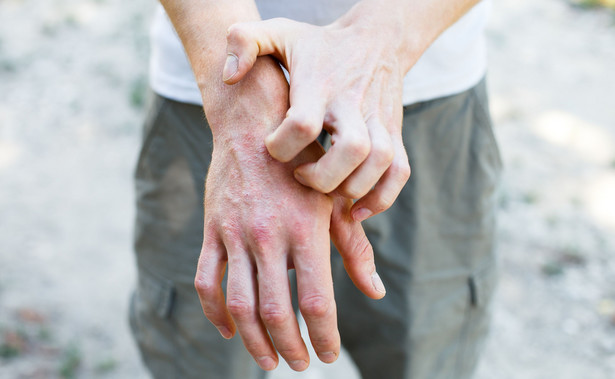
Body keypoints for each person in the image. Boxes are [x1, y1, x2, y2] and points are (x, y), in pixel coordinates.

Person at [129, 0, 502, 378]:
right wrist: (240, 97)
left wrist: (384, 37)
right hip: (213, 87)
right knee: (203, 359)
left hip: (423, 81)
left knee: (426, 353)